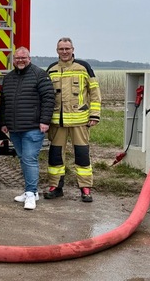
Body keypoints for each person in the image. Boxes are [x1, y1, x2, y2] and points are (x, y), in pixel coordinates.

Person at [44, 37, 102, 202]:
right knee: (55, 156)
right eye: (61, 49)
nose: (64, 52)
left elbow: (95, 93)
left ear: (73, 49)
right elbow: (46, 97)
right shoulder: (51, 70)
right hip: (57, 122)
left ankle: (85, 188)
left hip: (79, 121)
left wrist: (95, 114)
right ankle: (55, 187)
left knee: (82, 155)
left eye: (67, 49)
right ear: (57, 51)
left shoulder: (84, 67)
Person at [0, 46, 54, 210]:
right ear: (13, 60)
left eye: (24, 58)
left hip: (33, 127)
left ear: (29, 58)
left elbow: (49, 99)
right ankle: (32, 191)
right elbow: (4, 102)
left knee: (29, 159)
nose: (20, 61)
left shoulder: (40, 75)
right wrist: (3, 122)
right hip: (14, 129)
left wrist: (45, 121)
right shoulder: (8, 78)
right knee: (24, 159)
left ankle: (30, 193)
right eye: (17, 58)